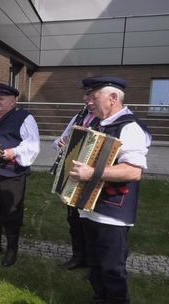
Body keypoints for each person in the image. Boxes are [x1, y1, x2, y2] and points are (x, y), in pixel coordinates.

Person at [69, 76, 151, 304]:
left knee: (111, 268)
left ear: (113, 98)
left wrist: (92, 173)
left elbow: (133, 171)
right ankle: (99, 298)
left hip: (112, 211)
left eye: (94, 97)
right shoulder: (96, 123)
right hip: (89, 205)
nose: (88, 101)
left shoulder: (130, 127)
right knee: (95, 263)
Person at [0, 83, 40, 267]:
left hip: (10, 174)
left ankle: (12, 250)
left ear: (13, 101)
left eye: (1, 99)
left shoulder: (24, 118)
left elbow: (33, 144)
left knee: (11, 213)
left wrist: (14, 151)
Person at [52, 78, 100, 270]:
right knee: (73, 218)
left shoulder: (104, 118)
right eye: (85, 95)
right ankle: (78, 255)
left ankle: (93, 260)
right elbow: (58, 140)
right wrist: (60, 143)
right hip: (73, 173)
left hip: (93, 177)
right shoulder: (78, 117)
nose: (85, 99)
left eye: (89, 94)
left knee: (92, 222)